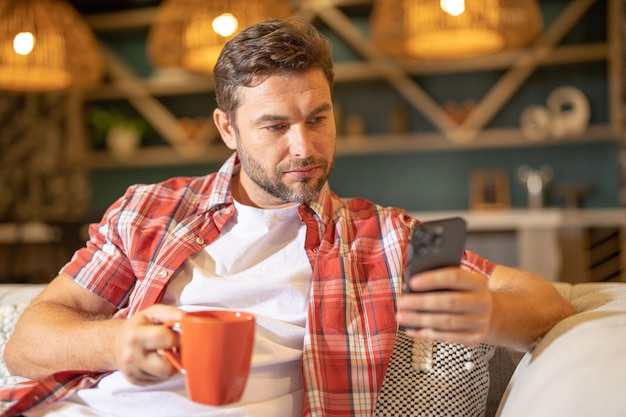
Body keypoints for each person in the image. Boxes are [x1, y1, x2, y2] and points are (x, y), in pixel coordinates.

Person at [2, 17, 575, 417]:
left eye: (318, 118)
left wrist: (490, 309)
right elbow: (27, 341)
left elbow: (545, 300)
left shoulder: (379, 235)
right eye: (275, 126)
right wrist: (117, 343)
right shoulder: (150, 209)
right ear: (228, 129)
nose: (304, 147)